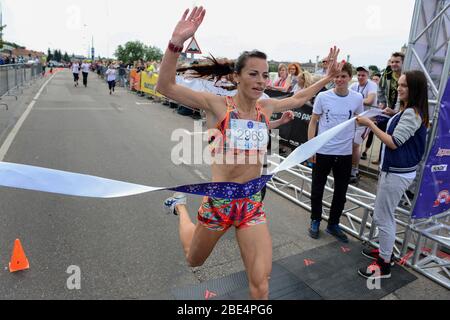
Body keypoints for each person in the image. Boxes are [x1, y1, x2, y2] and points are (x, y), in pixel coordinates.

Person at [157, 6, 342, 300]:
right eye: (253, 74)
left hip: (251, 203)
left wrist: (327, 78)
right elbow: (164, 86)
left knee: (261, 284)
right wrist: (175, 42)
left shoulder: (264, 108)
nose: (260, 81)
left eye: (264, 76)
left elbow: (298, 97)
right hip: (219, 201)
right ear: (238, 76)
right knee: (194, 260)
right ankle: (180, 208)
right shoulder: (217, 105)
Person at [356, 70, 429, 279]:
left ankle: (384, 264)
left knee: (382, 216)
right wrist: (384, 116)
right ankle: (385, 252)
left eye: (404, 85)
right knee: (387, 215)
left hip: (397, 173)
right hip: (396, 172)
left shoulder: (412, 113)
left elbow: (393, 142)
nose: (399, 88)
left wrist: (370, 124)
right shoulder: (408, 111)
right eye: (400, 84)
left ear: (414, 89)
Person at [307, 62, 364, 243]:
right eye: (337, 76)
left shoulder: (357, 98)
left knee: (341, 192)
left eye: (343, 76)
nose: (339, 80)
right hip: (323, 150)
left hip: (344, 153)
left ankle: (333, 224)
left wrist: (357, 142)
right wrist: (311, 147)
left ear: (349, 77)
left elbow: (360, 121)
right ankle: (315, 220)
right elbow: (313, 121)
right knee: (317, 189)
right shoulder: (323, 97)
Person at [349, 66, 379, 183]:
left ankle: (354, 171)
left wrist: (354, 99)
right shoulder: (354, 85)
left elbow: (370, 100)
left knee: (355, 145)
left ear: (368, 76)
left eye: (363, 75)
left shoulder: (372, 85)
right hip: (354, 119)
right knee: (348, 143)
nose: (361, 77)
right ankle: (348, 167)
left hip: (366, 120)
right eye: (359, 75)